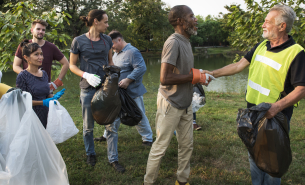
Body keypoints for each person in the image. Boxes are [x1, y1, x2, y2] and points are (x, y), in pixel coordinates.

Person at [203, 5, 305, 185]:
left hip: (275, 116)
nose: (263, 25)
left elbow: (301, 89)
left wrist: (276, 107)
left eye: (268, 21)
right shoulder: (261, 45)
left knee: (272, 162)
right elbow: (237, 66)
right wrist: (213, 73)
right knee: (254, 155)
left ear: (282, 26)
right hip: (252, 113)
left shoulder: (296, 52)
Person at [144, 5, 213, 185]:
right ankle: (148, 182)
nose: (196, 19)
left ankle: (182, 181)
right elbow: (165, 78)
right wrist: (194, 77)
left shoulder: (186, 41)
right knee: (160, 146)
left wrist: (198, 76)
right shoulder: (173, 42)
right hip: (170, 103)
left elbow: (184, 72)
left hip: (185, 103)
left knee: (187, 145)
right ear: (181, 21)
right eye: (192, 16)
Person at [69, 9, 126, 173]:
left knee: (111, 124)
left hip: (106, 88)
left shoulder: (107, 40)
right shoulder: (78, 41)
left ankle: (113, 159)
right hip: (87, 89)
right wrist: (85, 74)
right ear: (95, 21)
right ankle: (90, 153)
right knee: (88, 127)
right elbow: (72, 65)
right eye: (105, 22)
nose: (108, 25)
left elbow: (109, 61)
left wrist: (113, 75)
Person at [93, 30, 153, 146]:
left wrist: (128, 80)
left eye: (113, 45)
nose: (112, 48)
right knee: (112, 113)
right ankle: (106, 135)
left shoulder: (132, 51)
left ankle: (148, 139)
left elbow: (141, 68)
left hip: (132, 92)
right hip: (117, 92)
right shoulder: (116, 53)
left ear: (119, 40)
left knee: (137, 113)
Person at [16, 40, 65, 128]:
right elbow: (23, 102)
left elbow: (46, 93)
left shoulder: (44, 74)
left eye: (41, 54)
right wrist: (42, 102)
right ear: (26, 57)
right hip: (31, 117)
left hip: (46, 114)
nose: (41, 57)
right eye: (36, 54)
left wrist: (53, 97)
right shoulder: (22, 76)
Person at [13, 19, 69, 91]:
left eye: (43, 30)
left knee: (47, 102)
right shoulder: (25, 46)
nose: (41, 31)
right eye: (38, 29)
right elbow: (15, 66)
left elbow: (66, 63)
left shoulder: (51, 47)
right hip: (27, 86)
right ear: (32, 30)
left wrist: (57, 82)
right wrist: (28, 76)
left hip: (45, 88)